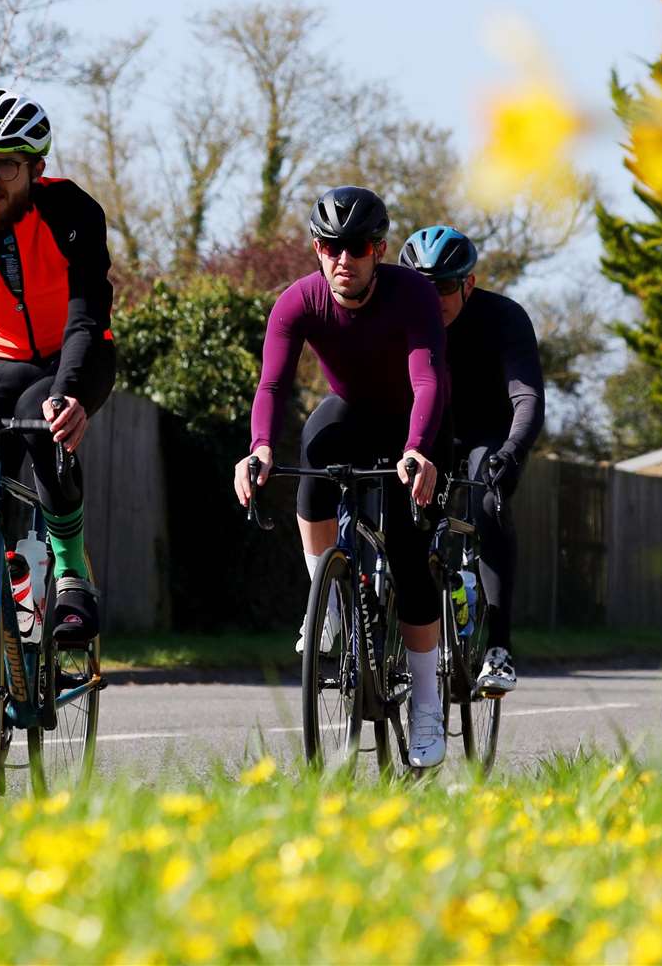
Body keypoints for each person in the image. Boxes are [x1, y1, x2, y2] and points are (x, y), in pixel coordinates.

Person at [232, 186, 452, 768]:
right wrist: (257, 449)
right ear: (316, 249)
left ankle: (427, 704)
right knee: (313, 447)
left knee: (406, 551)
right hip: (350, 411)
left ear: (379, 249)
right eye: (331, 248)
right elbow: (273, 387)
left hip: (411, 421)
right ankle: (325, 607)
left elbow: (429, 381)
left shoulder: (412, 295)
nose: (343, 261)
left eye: (356, 248)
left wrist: (417, 450)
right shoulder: (299, 301)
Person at [0, 89, 116, 788]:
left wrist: (71, 392)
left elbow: (87, 313)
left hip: (72, 354)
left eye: (4, 167)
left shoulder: (71, 210)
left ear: (33, 167)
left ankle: (70, 568)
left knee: (45, 418)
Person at [399, 225, 544, 695]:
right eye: (420, 287)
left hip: (489, 434)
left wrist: (512, 450)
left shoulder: (503, 318)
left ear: (469, 283)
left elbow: (527, 397)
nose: (432, 297)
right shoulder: (397, 318)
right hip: (424, 434)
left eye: (443, 286)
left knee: (487, 503)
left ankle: (498, 649)